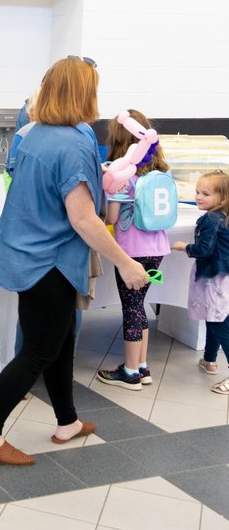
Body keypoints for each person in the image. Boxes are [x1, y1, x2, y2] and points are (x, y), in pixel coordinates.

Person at [0, 57, 150, 467]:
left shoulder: (35, 133)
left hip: (35, 255)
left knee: (62, 342)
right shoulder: (72, 142)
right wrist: (125, 263)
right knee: (37, 352)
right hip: (47, 262)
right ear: (84, 93)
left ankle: (66, 421)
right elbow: (83, 217)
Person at [97, 111, 172, 390]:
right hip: (157, 248)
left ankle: (129, 372)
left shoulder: (122, 172)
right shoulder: (159, 171)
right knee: (140, 304)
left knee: (131, 307)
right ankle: (142, 366)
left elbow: (113, 219)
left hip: (131, 251)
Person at [172, 169, 229, 394]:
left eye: (205, 193)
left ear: (222, 198)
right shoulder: (223, 216)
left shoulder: (210, 219)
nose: (198, 197)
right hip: (222, 276)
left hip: (214, 278)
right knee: (213, 318)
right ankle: (209, 359)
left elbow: (204, 250)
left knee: (218, 323)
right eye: (197, 192)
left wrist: (183, 246)